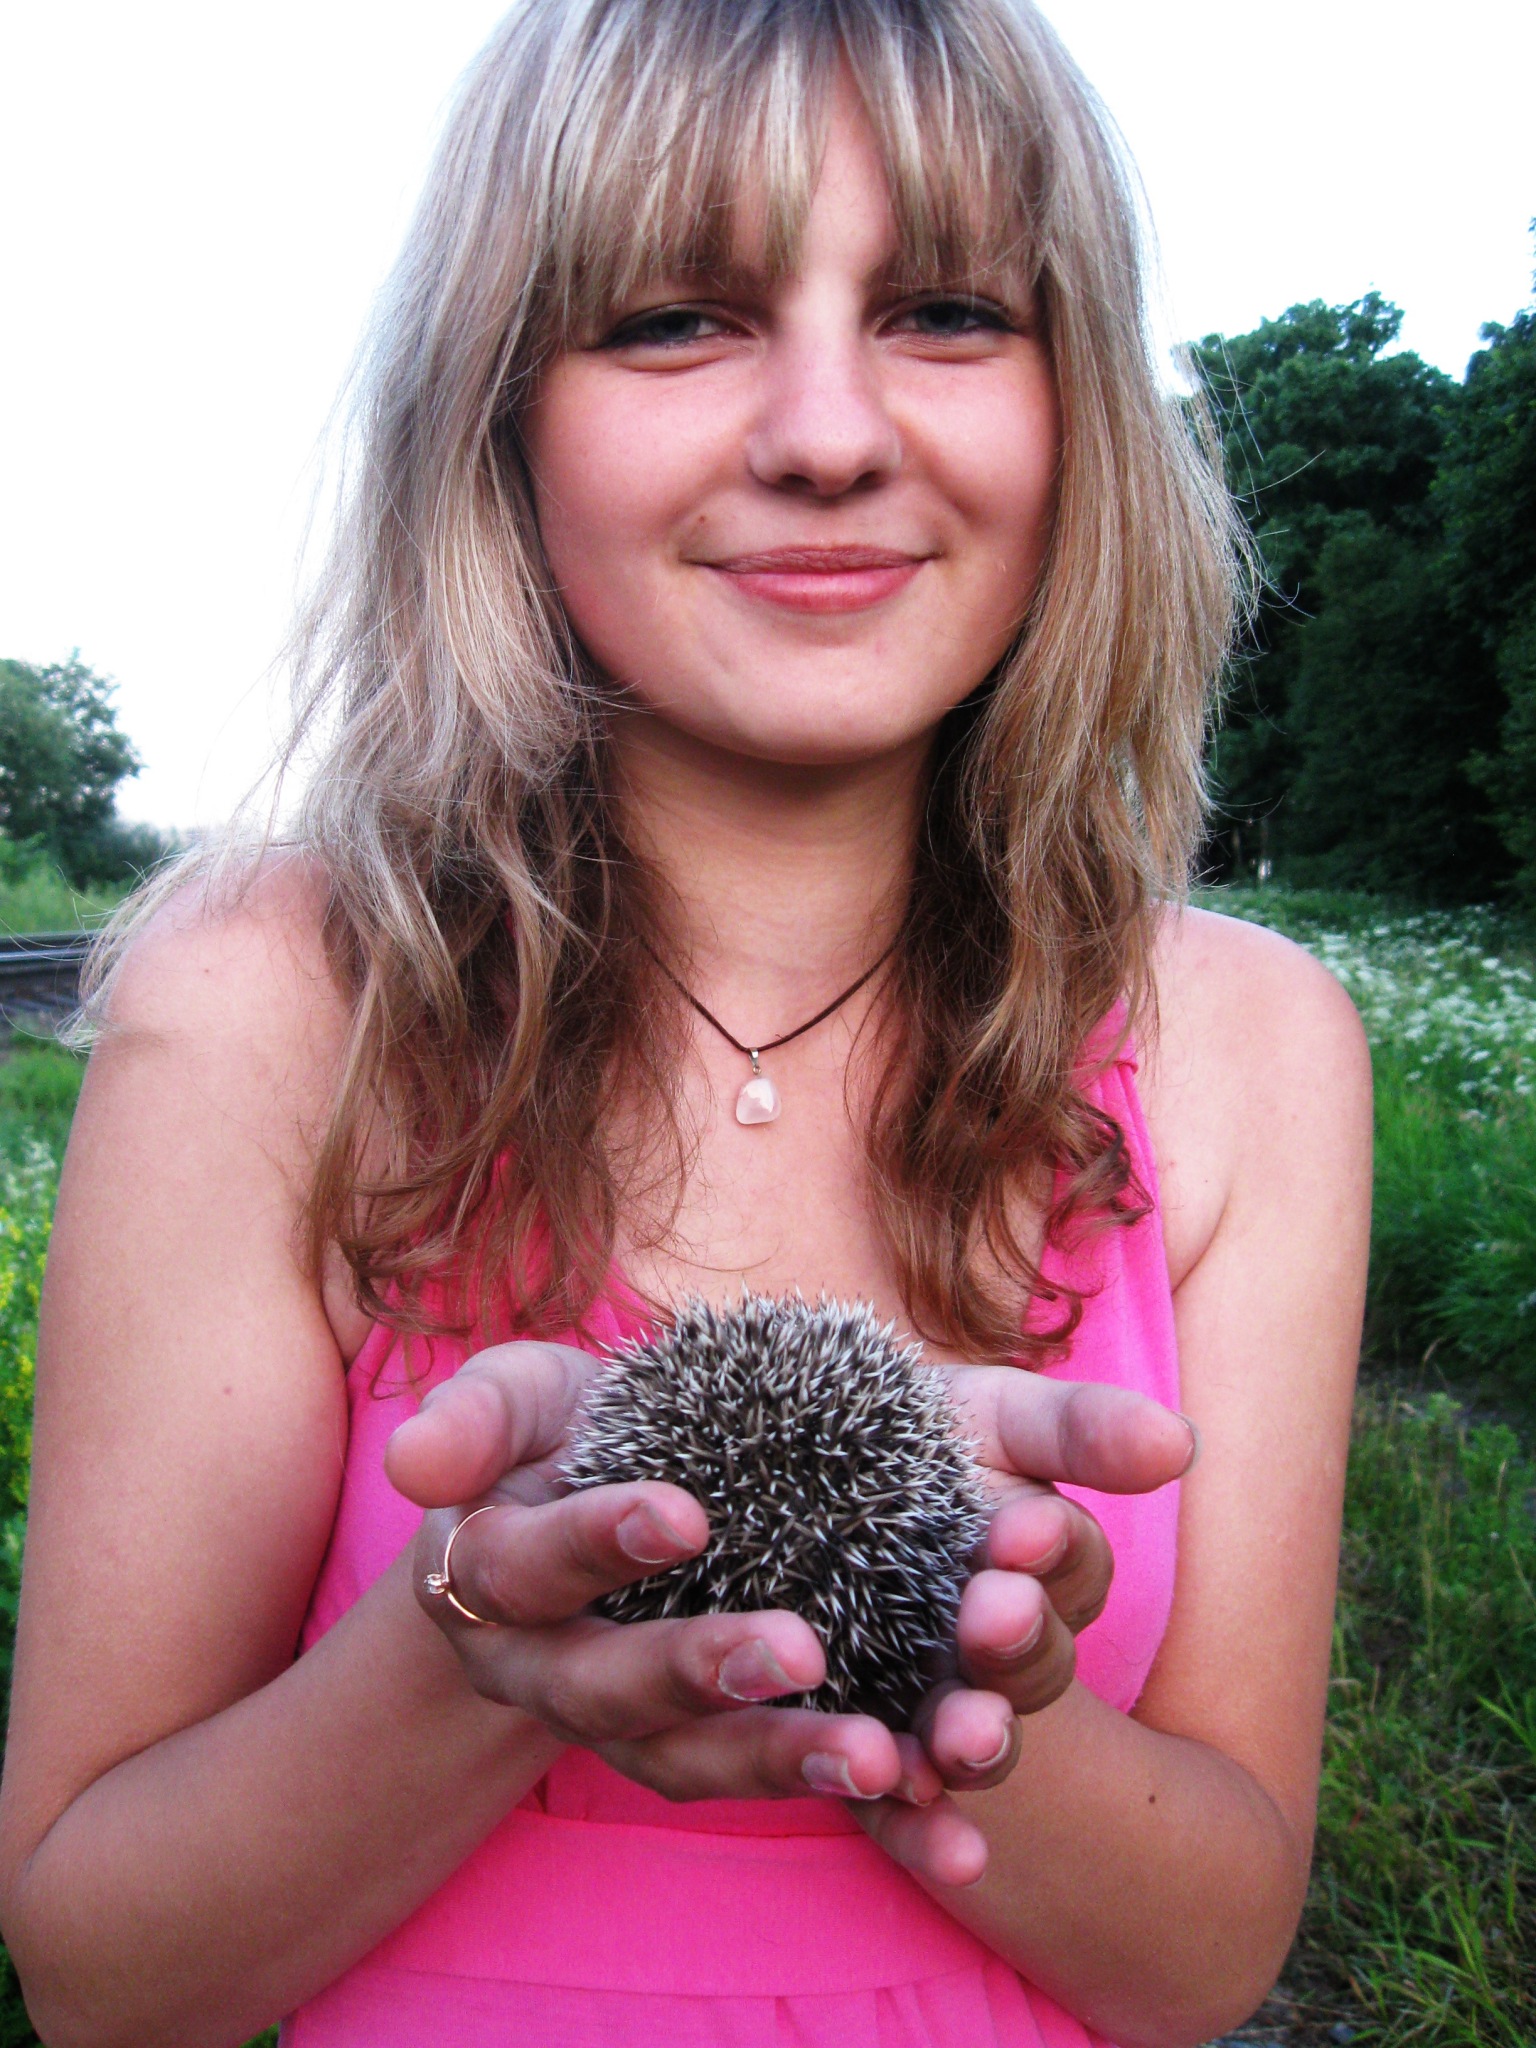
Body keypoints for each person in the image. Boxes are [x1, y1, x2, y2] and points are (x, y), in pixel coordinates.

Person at [0, 1, 1373, 2044]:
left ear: (1078, 404)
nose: (827, 434)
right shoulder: (260, 1001)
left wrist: (921, 1653)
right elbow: (106, 1980)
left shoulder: (1255, 1048)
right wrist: (486, 1635)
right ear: (500, 417)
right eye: (673, 319)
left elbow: (1203, 1963)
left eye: (945, 310)